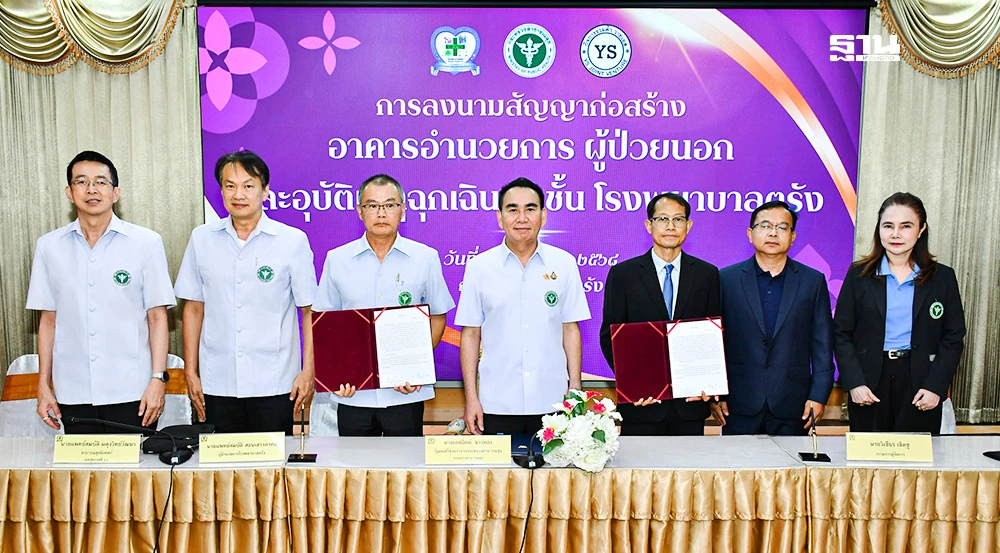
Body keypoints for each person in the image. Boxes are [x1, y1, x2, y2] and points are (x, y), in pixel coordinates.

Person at [27, 151, 176, 434]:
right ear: (69, 193)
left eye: (100, 182)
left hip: (133, 390)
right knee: (82, 465)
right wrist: (43, 385)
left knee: (136, 464)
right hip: (73, 390)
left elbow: (158, 318)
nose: (91, 189)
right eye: (81, 182)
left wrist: (158, 379)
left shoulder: (146, 243)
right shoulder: (49, 246)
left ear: (115, 192)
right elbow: (48, 321)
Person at [174, 151, 316, 434]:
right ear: (221, 191)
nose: (238, 194)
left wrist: (308, 370)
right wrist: (191, 370)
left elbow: (309, 311)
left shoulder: (292, 241)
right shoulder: (202, 239)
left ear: (265, 191)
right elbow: (193, 308)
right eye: (230, 186)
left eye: (248, 186)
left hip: (275, 382)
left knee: (272, 461)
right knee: (220, 461)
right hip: (217, 381)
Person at [312, 174, 455, 436]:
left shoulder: (425, 258)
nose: (381, 213)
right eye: (372, 206)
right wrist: (337, 373)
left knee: (404, 462)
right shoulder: (337, 259)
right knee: (354, 462)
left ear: (403, 210)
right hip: (353, 392)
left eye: (390, 205)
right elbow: (324, 322)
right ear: (360, 211)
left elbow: (437, 317)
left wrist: (415, 365)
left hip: (406, 391)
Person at [456, 177, 591, 436]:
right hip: (496, 402)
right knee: (499, 465)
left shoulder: (564, 264)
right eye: (512, 209)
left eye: (530, 209)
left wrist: (575, 388)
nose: (522, 218)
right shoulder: (479, 267)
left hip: (553, 401)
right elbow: (471, 334)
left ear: (543, 216)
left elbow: (570, 328)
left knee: (555, 465)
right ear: (500, 218)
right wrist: (471, 397)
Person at [834, 192, 965, 434]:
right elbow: (841, 334)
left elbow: (953, 338)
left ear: (921, 229)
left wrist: (936, 386)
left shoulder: (942, 278)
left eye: (906, 226)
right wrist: (854, 383)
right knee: (870, 456)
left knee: (916, 456)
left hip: (921, 384)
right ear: (879, 229)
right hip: (869, 383)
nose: (895, 234)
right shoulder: (858, 275)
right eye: (888, 226)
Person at [599, 192, 720, 435]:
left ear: (688, 225)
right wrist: (633, 385)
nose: (670, 226)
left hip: (690, 405)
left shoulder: (707, 274)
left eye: (678, 219)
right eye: (663, 219)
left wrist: (707, 382)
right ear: (649, 225)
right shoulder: (623, 275)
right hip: (641, 405)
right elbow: (610, 336)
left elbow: (714, 335)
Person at [715, 200, 834, 435]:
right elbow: (715, 342)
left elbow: (822, 344)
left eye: (782, 227)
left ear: (793, 236)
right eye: (765, 226)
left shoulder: (812, 281)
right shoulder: (726, 279)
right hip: (738, 402)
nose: (773, 233)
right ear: (750, 234)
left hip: (794, 403)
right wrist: (716, 394)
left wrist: (819, 395)